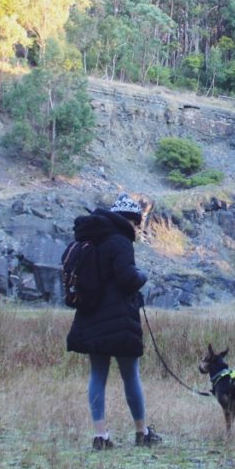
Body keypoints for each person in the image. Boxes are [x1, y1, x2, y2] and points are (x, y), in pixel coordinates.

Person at [65, 193, 162, 450]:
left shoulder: (90, 238)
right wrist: (141, 276)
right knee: (131, 375)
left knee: (97, 374)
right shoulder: (120, 240)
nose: (136, 229)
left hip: (90, 315)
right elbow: (127, 278)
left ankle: (100, 435)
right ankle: (142, 432)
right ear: (128, 220)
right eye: (135, 224)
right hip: (118, 318)